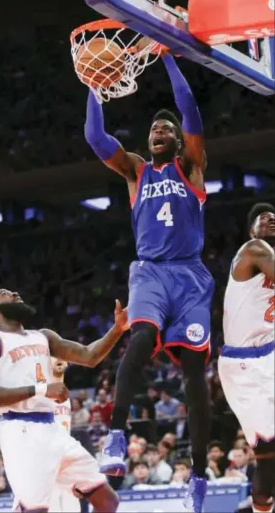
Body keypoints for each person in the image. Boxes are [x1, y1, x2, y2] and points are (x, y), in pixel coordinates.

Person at [85, 52, 214, 512]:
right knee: (140, 337)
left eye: (167, 130)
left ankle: (198, 476)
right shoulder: (136, 170)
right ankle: (116, 436)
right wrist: (93, 87)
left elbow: (191, 110)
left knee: (196, 379)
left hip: (191, 275)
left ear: (179, 142)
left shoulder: (192, 167)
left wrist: (169, 59)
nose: (159, 132)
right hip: (151, 271)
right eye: (154, 129)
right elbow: (95, 136)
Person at [0, 289, 129, 513]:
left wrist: (117, 329)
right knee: (35, 510)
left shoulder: (43, 336)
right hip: (20, 430)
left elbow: (88, 356)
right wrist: (42, 389)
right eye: (5, 293)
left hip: (52, 429)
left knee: (108, 501)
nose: (15, 293)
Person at [218, 203, 275, 513]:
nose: (270, 220)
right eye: (262, 219)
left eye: (274, 218)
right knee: (267, 452)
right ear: (251, 230)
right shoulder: (253, 250)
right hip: (242, 365)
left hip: (270, 354)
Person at [49, 358, 81, 513]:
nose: (59, 360)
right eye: (54, 357)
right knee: (51, 503)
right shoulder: (43, 392)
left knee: (71, 503)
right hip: (47, 456)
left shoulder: (67, 397)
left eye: (62, 357)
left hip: (66, 455)